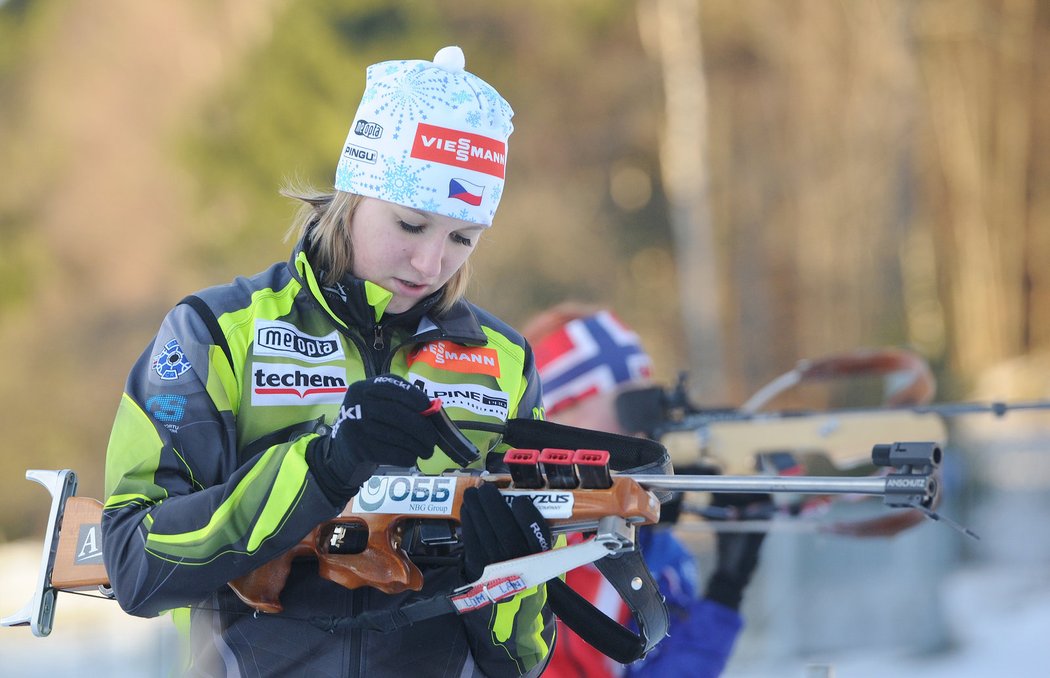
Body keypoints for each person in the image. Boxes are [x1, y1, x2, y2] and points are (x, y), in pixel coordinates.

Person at [101, 46, 556, 678]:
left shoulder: (504, 364)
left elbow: (523, 661)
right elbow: (134, 563)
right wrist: (323, 467)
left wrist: (508, 579)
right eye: (410, 223)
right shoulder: (218, 332)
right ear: (355, 192)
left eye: (462, 239)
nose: (430, 265)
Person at [521, 303, 767, 678]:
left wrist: (726, 589)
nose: (641, 434)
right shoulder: (506, 533)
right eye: (625, 410)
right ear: (554, 417)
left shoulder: (658, 551)